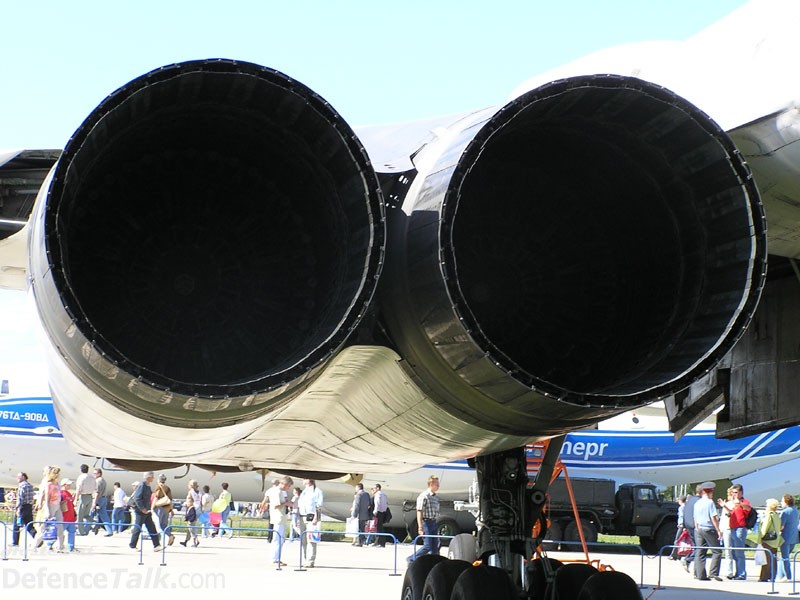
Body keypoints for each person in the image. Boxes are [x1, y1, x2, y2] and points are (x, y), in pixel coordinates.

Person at [721, 483, 752, 580]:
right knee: (734, 552)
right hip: (733, 528)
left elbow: (748, 509)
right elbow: (731, 513)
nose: (733, 494)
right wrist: (724, 506)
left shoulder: (744, 502)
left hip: (740, 528)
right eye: (733, 492)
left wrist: (740, 503)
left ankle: (741, 574)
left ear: (741, 493)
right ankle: (738, 572)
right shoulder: (734, 503)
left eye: (736, 492)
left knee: (739, 552)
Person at [693, 482, 722, 581]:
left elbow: (695, 517)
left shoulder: (697, 503)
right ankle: (713, 573)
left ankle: (700, 574)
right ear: (710, 492)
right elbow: (713, 517)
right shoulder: (710, 502)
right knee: (717, 551)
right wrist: (718, 530)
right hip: (709, 528)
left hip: (699, 528)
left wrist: (697, 527)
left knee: (700, 552)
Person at [408, 475, 441, 564]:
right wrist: (420, 527)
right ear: (431, 484)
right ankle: (411, 558)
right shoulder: (424, 496)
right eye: (436, 484)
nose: (438, 486)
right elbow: (419, 511)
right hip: (426, 522)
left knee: (435, 546)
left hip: (433, 522)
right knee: (428, 546)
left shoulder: (435, 497)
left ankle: (433, 563)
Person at [32, 465, 65, 552]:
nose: (57, 475)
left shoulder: (57, 484)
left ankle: (61, 546)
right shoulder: (49, 484)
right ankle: (35, 545)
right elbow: (46, 498)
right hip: (50, 505)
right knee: (44, 526)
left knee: (60, 525)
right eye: (55, 473)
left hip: (57, 505)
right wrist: (47, 510)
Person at [128, 471, 162, 552]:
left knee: (151, 527)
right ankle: (132, 545)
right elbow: (137, 498)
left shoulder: (147, 486)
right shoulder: (142, 485)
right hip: (141, 511)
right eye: (152, 476)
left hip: (146, 511)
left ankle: (156, 545)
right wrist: (142, 509)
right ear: (148, 477)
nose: (153, 478)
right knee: (138, 527)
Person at [266, 476, 293, 565]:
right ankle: (275, 559)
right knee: (277, 539)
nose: (289, 488)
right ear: (284, 484)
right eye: (288, 486)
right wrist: (286, 503)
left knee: (280, 539)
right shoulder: (277, 492)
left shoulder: (281, 491)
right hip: (278, 517)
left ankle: (277, 558)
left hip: (281, 518)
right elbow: (276, 505)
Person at [298, 478, 323, 568]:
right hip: (302, 516)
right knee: (303, 540)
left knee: (311, 540)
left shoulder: (317, 491)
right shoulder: (304, 492)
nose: (303, 480)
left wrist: (316, 517)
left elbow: (319, 506)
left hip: (311, 517)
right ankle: (305, 559)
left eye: (305, 478)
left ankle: (310, 560)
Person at [758, 498, 783, 582]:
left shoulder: (769, 515)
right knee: (773, 559)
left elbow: (764, 529)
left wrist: (760, 538)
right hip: (775, 540)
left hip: (768, 541)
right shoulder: (776, 515)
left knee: (766, 560)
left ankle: (764, 577)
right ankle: (773, 576)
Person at [778, 494, 799, 581]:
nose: (781, 503)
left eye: (782, 501)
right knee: (783, 557)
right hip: (794, 537)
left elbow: (781, 526)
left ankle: (788, 575)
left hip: (785, 537)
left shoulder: (785, 512)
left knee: (785, 557)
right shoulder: (795, 510)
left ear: (786, 501)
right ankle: (780, 575)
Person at [11, 472, 36, 546]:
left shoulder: (22, 485)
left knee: (16, 525)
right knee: (29, 525)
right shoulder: (30, 486)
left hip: (22, 507)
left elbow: (20, 498)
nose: (17, 478)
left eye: (19, 477)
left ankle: (15, 542)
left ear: (24, 477)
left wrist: (17, 508)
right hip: (28, 506)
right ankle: (37, 537)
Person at [681, 484, 702, 573]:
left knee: (695, 546)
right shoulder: (700, 501)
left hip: (688, 525)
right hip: (696, 526)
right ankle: (689, 560)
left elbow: (685, 512)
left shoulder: (690, 500)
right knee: (700, 547)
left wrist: (684, 526)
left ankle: (690, 561)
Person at [151, 473, 174, 545]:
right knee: (164, 524)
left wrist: (152, 508)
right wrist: (171, 510)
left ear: (159, 480)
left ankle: (164, 538)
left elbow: (156, 497)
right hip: (167, 508)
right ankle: (169, 535)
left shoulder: (159, 487)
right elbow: (170, 500)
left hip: (159, 508)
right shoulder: (168, 488)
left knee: (159, 525)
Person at [74, 463, 96, 535]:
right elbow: (95, 487)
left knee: (80, 515)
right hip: (90, 496)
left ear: (81, 470)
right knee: (86, 514)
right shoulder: (92, 477)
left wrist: (76, 499)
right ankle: (96, 523)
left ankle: (81, 531)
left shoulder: (81, 477)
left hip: (83, 496)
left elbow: (79, 488)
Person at [91, 467, 114, 536]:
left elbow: (97, 492)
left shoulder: (98, 481)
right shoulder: (103, 480)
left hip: (99, 499)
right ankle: (109, 530)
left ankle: (86, 528)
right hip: (104, 498)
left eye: (95, 473)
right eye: (93, 473)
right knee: (104, 516)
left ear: (99, 474)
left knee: (90, 513)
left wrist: (94, 502)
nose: (94, 475)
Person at [60, 478, 78, 552]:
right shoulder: (61, 493)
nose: (70, 485)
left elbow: (71, 505)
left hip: (70, 518)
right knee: (60, 532)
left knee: (72, 532)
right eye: (68, 484)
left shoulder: (69, 493)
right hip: (64, 518)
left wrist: (74, 514)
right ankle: (50, 544)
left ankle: (71, 547)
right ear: (64, 485)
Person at [351, 483, 371, 547]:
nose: (355, 489)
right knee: (362, 528)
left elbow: (357, 506)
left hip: (359, 515)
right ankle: (362, 541)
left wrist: (354, 515)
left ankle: (360, 542)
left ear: (358, 488)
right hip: (365, 514)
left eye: (356, 487)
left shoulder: (358, 495)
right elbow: (369, 504)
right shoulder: (367, 494)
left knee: (359, 528)